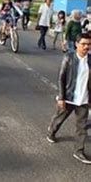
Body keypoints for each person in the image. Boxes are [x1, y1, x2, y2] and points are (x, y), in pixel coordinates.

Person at [46, 33, 91, 164]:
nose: (86, 47)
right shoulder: (68, 58)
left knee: (81, 127)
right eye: (83, 44)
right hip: (69, 97)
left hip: (84, 99)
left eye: (89, 44)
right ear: (77, 44)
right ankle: (51, 132)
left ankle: (79, 151)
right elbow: (61, 78)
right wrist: (61, 97)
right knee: (59, 118)